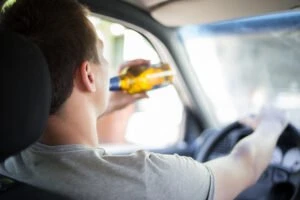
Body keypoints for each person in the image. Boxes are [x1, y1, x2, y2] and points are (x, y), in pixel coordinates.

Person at [0, 0, 288, 200]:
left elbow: (60, 112)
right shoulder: (147, 181)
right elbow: (246, 164)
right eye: (102, 56)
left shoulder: (11, 163)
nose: (109, 67)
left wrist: (105, 101)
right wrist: (272, 124)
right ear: (88, 75)